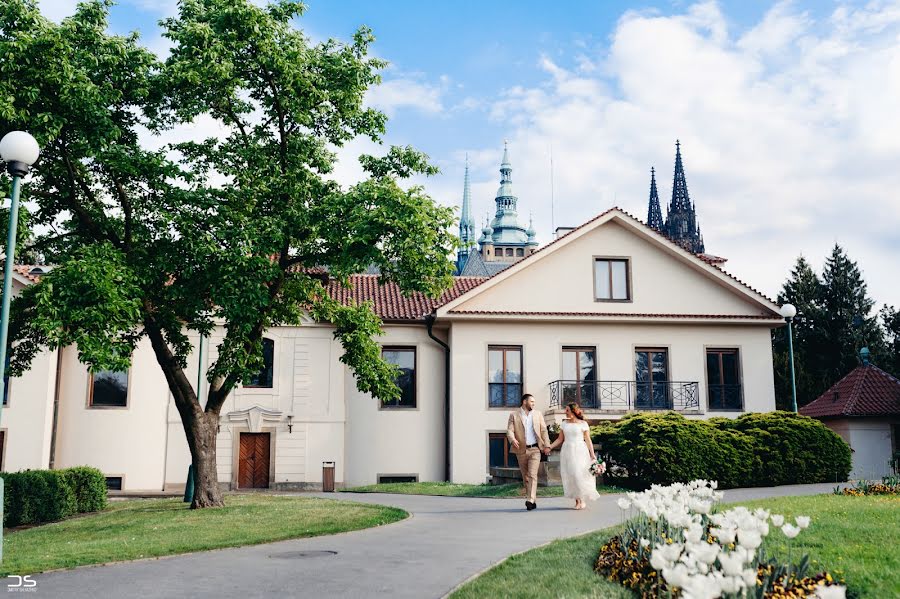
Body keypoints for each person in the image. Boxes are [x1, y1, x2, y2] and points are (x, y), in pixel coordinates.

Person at [547, 402, 600, 510]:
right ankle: (577, 501)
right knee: (571, 475)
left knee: (579, 474)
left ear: (573, 411)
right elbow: (560, 439)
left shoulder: (583, 424)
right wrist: (550, 447)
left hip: (580, 450)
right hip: (567, 451)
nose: (565, 412)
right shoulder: (564, 424)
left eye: (567, 410)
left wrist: (592, 454)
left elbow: (588, 440)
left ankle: (582, 500)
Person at [506, 393, 550, 511]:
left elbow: (544, 430)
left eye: (534, 402)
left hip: (535, 449)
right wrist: (512, 439)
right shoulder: (514, 415)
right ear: (524, 402)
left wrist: (547, 445)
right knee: (525, 477)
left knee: (532, 475)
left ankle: (530, 499)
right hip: (521, 450)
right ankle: (533, 499)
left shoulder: (538, 414)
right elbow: (509, 430)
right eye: (532, 402)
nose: (533, 404)